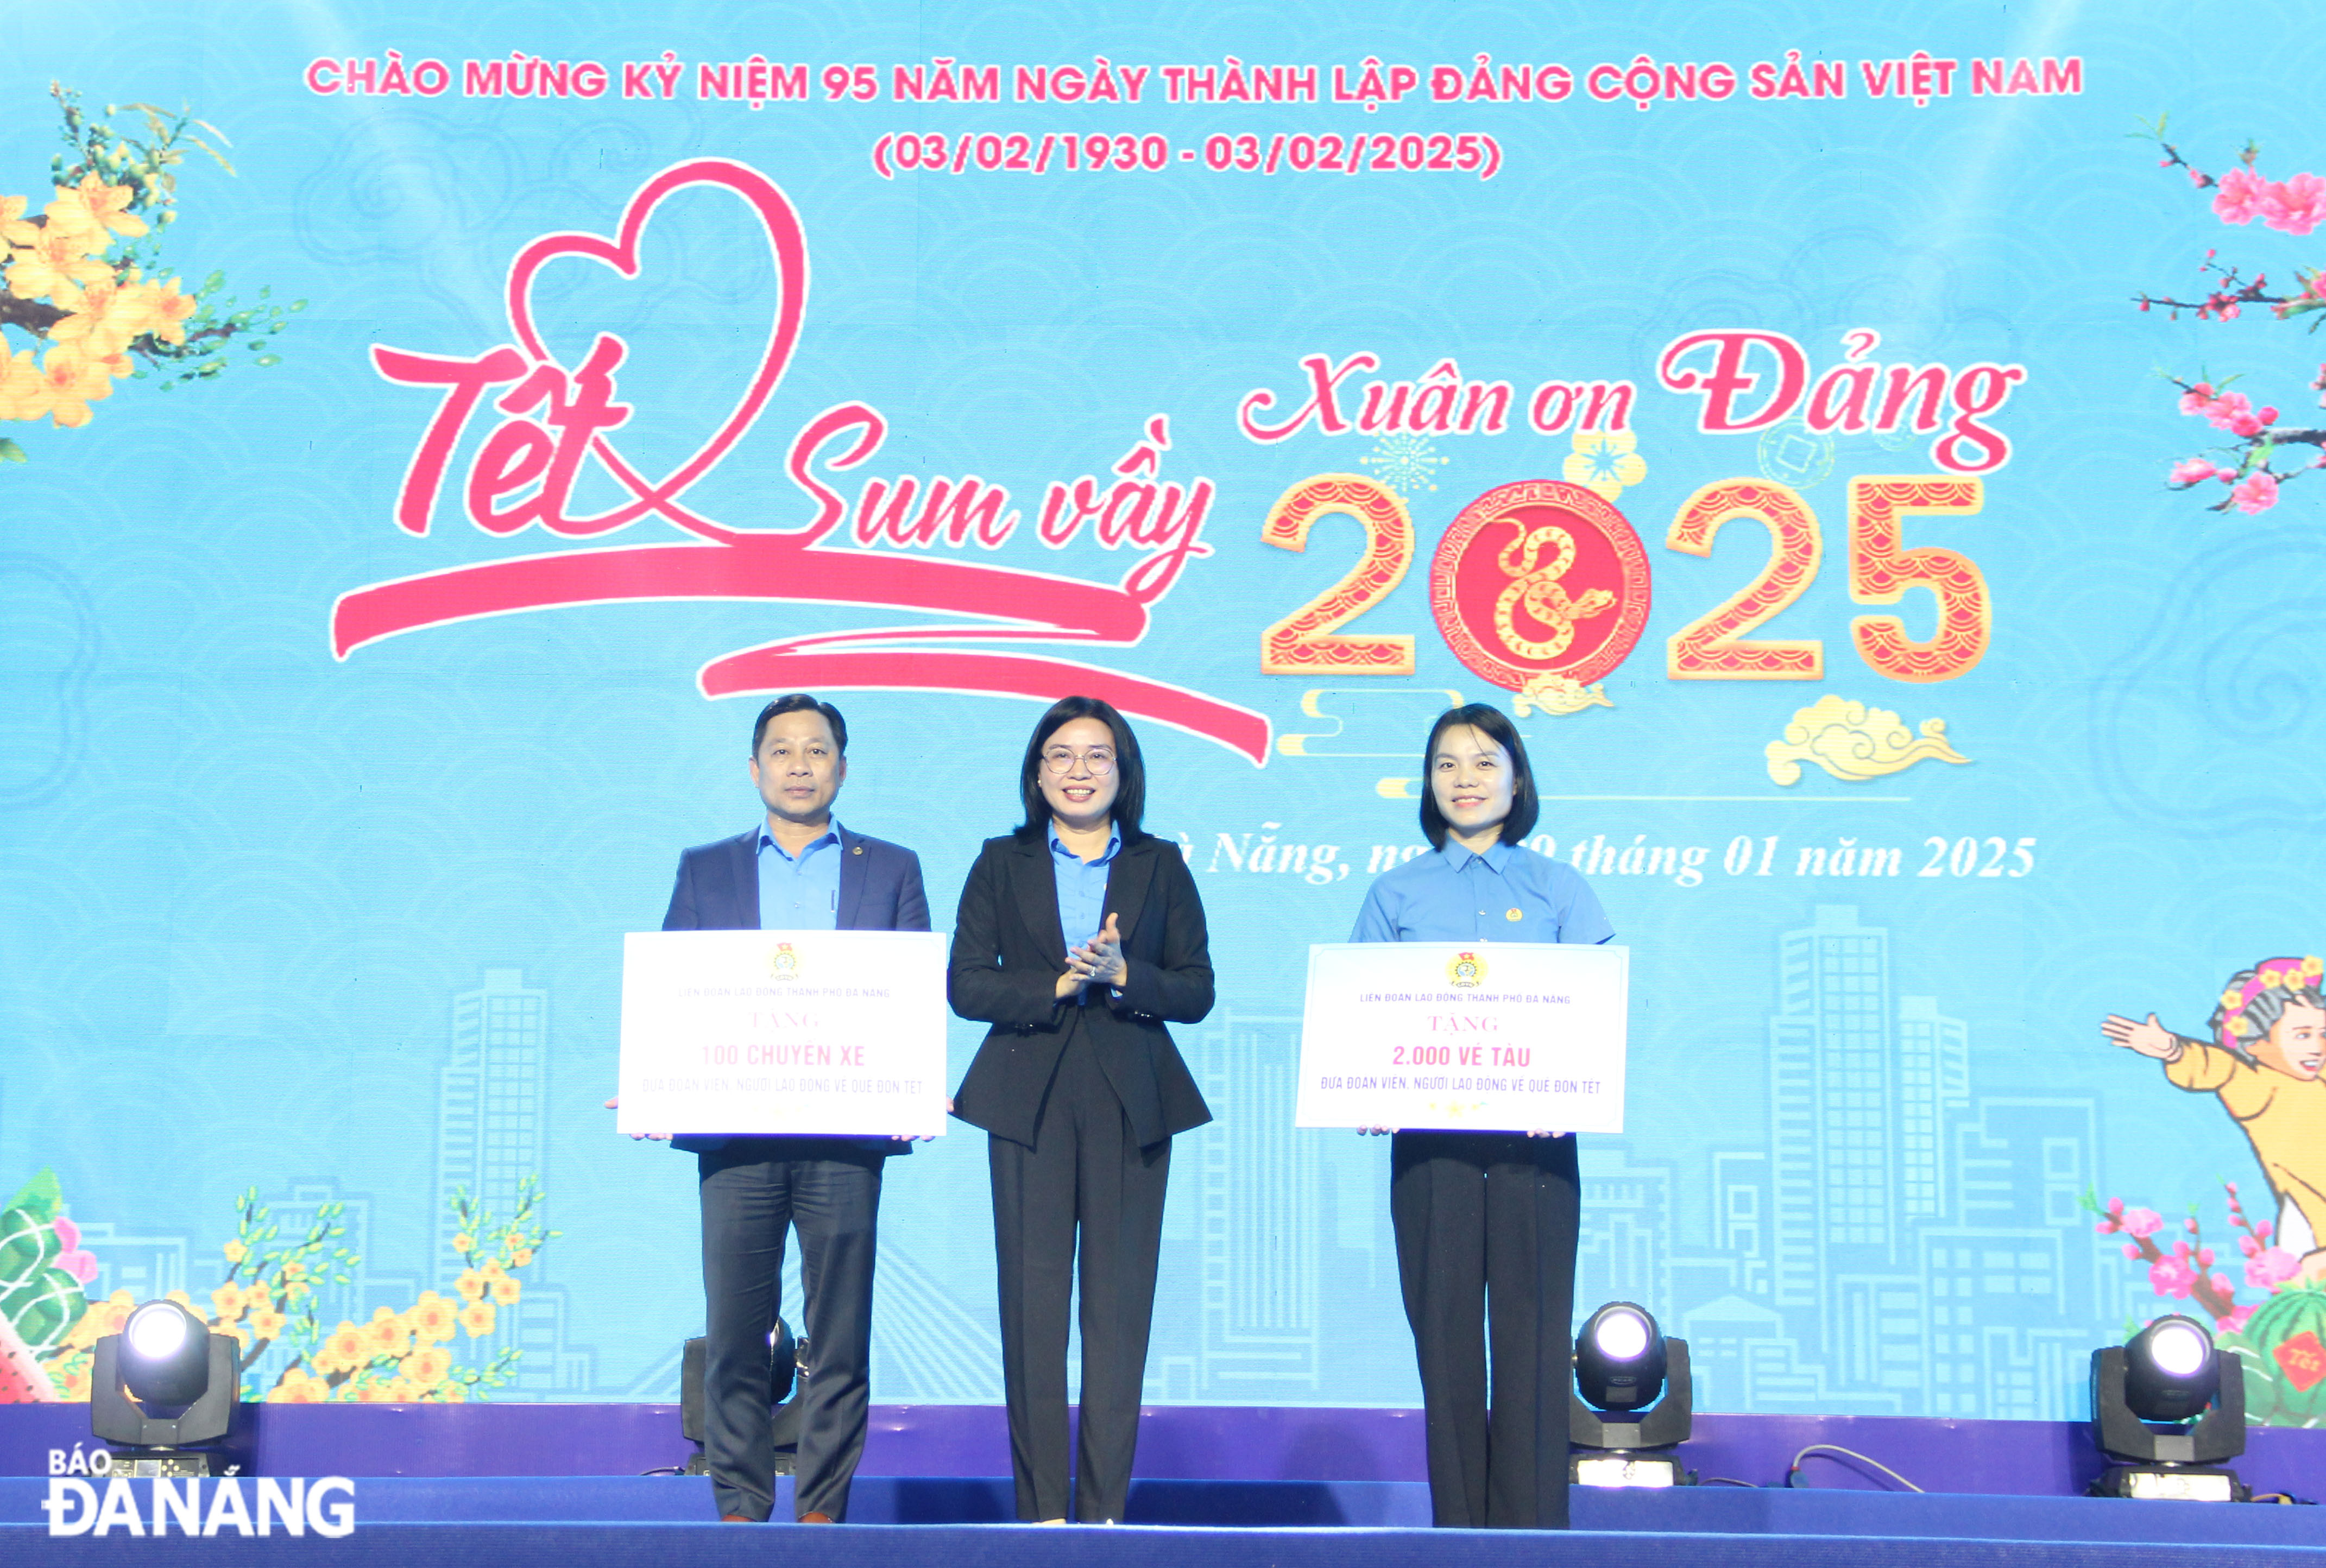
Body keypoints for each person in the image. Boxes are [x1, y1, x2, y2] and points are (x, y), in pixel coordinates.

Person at [618, 693, 930, 1526]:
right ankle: (740, 1512)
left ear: (841, 768)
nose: (800, 764)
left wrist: (912, 1082)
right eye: (782, 750)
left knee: (839, 1338)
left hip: (847, 1137)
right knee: (736, 1339)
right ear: (755, 769)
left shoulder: (891, 868)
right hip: (736, 1138)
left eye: (817, 750)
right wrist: (651, 1079)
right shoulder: (706, 868)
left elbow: (909, 1002)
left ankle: (822, 1511)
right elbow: (672, 996)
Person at [947, 696, 1214, 1524]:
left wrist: (1124, 973)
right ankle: (1040, 1515)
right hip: (1025, 1097)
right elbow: (965, 984)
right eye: (1060, 756)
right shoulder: (1000, 860)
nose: (1077, 771)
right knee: (1031, 1315)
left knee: (1117, 1314)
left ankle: (1101, 1513)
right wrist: (1058, 984)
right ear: (1035, 773)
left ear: (1123, 772)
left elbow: (1198, 988)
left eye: (1096, 756)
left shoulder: (1159, 865)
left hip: (1130, 1096)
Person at [1347, 703, 1613, 1531]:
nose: (1464, 780)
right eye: (1446, 765)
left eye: (1483, 762)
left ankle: (1534, 1541)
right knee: (1447, 1354)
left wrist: (1561, 1086)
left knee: (1534, 1356)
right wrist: (1361, 1085)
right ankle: (1457, 1540)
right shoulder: (1394, 892)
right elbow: (1361, 1016)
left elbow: (1596, 1015)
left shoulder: (1557, 887)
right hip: (1432, 1157)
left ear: (1517, 778)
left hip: (1537, 1155)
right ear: (1427, 784)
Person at [2103, 956, 2326, 1279]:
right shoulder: (2258, 1086)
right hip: (2312, 1219)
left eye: (2323, 1033)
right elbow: (2216, 1067)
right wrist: (2174, 1050)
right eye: (2302, 1035)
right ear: (2257, 1042)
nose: (2317, 1046)